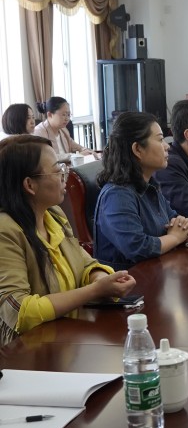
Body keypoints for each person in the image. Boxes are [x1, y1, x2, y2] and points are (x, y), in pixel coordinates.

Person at [0, 135, 136, 345]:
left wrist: (102, 280)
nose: (65, 175)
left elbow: (85, 264)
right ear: (29, 184)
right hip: (24, 350)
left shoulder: (53, 214)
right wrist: (95, 290)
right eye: (57, 170)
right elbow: (19, 312)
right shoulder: (5, 230)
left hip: (64, 336)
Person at [94, 112, 188, 270]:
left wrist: (182, 226)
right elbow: (137, 248)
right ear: (138, 149)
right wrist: (175, 238)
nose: (167, 146)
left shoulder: (149, 186)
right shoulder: (117, 195)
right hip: (129, 281)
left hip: (158, 272)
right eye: (160, 140)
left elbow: (175, 221)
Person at [33, 97, 94, 161]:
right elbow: (47, 156)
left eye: (68, 115)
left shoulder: (63, 130)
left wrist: (87, 151)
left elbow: (77, 147)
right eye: (63, 114)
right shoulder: (39, 132)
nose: (67, 118)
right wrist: (74, 156)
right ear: (50, 115)